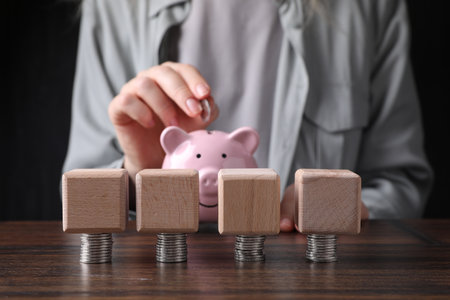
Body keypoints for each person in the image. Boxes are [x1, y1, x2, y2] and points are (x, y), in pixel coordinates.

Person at [63, 0, 433, 231]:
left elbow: (399, 180)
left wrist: (340, 205)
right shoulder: (113, 7)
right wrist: (137, 177)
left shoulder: (370, 6)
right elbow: (79, 192)